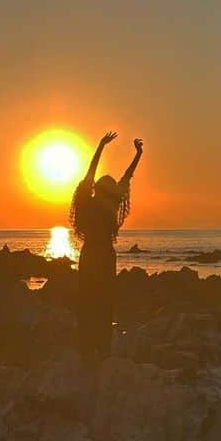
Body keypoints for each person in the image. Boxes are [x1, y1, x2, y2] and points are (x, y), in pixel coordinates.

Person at [69, 131, 143, 362]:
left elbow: (90, 173)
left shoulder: (86, 203)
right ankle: (102, 349)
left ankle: (87, 348)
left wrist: (101, 146)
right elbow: (127, 176)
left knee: (87, 300)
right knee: (104, 301)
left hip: (90, 254)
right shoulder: (111, 204)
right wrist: (138, 154)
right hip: (105, 256)